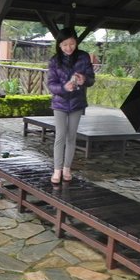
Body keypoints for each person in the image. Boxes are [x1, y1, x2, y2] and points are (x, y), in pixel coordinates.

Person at [47, 27, 95, 184]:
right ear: (59, 45)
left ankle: (67, 168)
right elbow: (51, 84)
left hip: (77, 103)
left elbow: (92, 79)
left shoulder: (83, 57)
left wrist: (84, 80)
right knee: (60, 136)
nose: (69, 47)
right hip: (60, 103)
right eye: (65, 44)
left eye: (72, 44)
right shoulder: (55, 60)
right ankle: (57, 170)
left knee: (71, 136)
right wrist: (63, 88)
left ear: (76, 43)